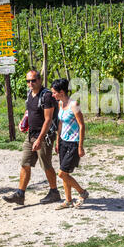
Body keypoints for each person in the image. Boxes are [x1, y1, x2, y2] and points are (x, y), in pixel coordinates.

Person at [3, 70, 61, 205]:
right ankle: (20, 194)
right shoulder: (30, 93)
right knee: (25, 163)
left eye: (33, 80)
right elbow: (29, 110)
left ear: (40, 80)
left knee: (46, 165)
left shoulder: (47, 96)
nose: (30, 83)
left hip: (44, 136)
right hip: (31, 135)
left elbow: (48, 119)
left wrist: (40, 139)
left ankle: (54, 192)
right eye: (28, 81)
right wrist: (23, 120)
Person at [50, 78, 89, 210]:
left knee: (61, 173)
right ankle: (68, 200)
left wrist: (80, 146)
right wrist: (57, 140)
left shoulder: (74, 104)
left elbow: (81, 125)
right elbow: (60, 123)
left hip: (73, 142)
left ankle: (82, 192)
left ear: (61, 91)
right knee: (64, 173)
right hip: (63, 142)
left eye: (54, 92)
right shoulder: (60, 104)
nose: (52, 95)